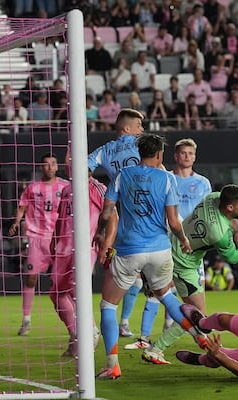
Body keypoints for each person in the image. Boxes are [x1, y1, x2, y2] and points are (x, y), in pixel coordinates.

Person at [93, 133, 205, 380]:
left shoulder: (123, 176)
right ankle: (200, 336)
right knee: (166, 296)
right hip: (159, 250)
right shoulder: (167, 179)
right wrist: (184, 240)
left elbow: (107, 212)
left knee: (108, 305)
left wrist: (101, 235)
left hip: (129, 250)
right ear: (159, 155)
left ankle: (112, 364)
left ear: (139, 153)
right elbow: (174, 222)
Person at [141, 185, 238, 364]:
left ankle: (192, 342)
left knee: (195, 315)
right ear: (230, 207)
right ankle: (156, 349)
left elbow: (232, 207)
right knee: (197, 316)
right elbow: (233, 257)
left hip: (171, 244)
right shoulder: (220, 234)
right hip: (183, 263)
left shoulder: (213, 197)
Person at [125, 138, 212, 351]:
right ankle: (145, 337)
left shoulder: (203, 183)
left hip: (192, 245)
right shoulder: (165, 178)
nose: (187, 157)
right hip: (166, 239)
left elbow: (208, 214)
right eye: (183, 153)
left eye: (191, 153)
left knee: (191, 296)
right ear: (175, 155)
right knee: (159, 288)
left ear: (195, 156)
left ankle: (168, 331)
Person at [50, 151, 116, 357]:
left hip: (86, 247)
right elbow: (61, 218)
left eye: (71, 160)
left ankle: (88, 332)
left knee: (76, 288)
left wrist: (106, 245)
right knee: (56, 294)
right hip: (63, 247)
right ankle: (78, 333)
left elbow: (113, 217)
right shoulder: (67, 189)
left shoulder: (96, 187)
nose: (68, 164)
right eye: (67, 161)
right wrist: (54, 240)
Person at [88, 108, 145, 338]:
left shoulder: (105, 150)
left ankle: (118, 326)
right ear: (127, 129)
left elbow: (84, 168)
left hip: (124, 220)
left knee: (134, 281)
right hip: (148, 220)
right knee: (152, 284)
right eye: (139, 126)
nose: (143, 130)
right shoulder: (144, 145)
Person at [9, 153, 70, 336]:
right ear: (40, 168)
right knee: (31, 277)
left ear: (57, 167)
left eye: (52, 164)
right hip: (36, 238)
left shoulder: (66, 186)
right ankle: (26, 320)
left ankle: (75, 320)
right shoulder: (33, 188)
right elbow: (22, 207)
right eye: (46, 164)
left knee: (64, 281)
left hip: (59, 238)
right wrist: (16, 222)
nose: (50, 167)